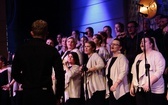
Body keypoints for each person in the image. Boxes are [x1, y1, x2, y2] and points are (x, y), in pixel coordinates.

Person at [11, 19, 64, 105]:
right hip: (46, 94)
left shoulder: (21, 50)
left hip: (28, 94)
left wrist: (26, 82)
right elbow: (60, 75)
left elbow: (15, 73)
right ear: (46, 33)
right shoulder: (52, 51)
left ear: (32, 33)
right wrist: (58, 96)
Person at [130, 36, 166, 105]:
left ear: (151, 44)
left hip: (154, 91)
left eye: (144, 42)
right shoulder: (138, 56)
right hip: (140, 89)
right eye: (141, 42)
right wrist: (132, 85)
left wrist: (149, 82)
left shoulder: (157, 55)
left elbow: (159, 71)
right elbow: (134, 72)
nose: (142, 43)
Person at [105, 38, 131, 105]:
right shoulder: (110, 59)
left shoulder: (122, 58)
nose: (112, 46)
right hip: (111, 86)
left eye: (115, 44)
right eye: (112, 44)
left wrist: (116, 84)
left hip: (119, 87)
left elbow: (123, 72)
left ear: (120, 47)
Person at [84, 41, 106, 105]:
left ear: (93, 48)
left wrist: (90, 69)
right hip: (93, 86)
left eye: (88, 46)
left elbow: (102, 64)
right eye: (85, 46)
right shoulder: (89, 57)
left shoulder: (95, 55)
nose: (86, 48)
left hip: (98, 86)